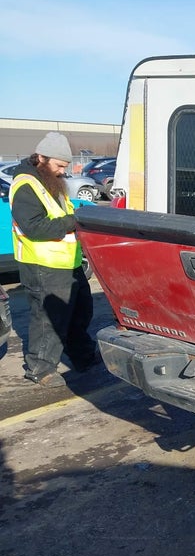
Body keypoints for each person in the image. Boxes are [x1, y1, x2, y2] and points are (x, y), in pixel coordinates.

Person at [10, 132, 99, 387]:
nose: (63, 171)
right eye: (59, 165)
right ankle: (40, 368)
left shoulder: (52, 181)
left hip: (68, 263)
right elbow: (35, 227)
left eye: (65, 166)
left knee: (80, 311)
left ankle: (82, 355)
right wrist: (74, 221)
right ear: (41, 158)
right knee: (49, 319)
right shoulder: (26, 184)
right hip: (43, 265)